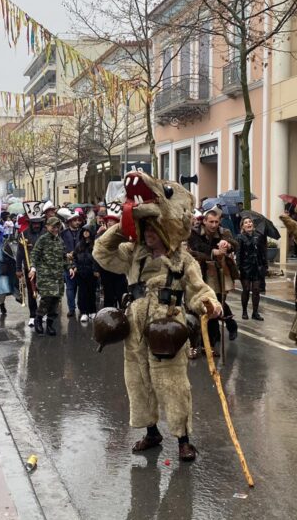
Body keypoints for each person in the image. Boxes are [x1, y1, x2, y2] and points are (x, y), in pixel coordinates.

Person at [93, 172, 221, 462]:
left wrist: (210, 305)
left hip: (168, 326)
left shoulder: (183, 260)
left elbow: (198, 290)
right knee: (138, 381)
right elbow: (101, 253)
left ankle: (183, 439)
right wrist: (122, 229)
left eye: (153, 229)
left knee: (173, 385)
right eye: (144, 228)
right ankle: (151, 431)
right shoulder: (132, 252)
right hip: (135, 326)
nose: (147, 233)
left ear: (164, 229)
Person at [187, 207, 239, 349]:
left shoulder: (223, 232)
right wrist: (213, 252)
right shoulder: (195, 233)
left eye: (216, 222)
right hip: (201, 271)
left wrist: (228, 245)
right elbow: (196, 249)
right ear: (204, 221)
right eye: (211, 221)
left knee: (218, 300)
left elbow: (235, 244)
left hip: (220, 271)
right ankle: (210, 338)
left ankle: (226, 328)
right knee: (207, 303)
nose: (214, 225)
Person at [29, 215, 66, 335]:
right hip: (46, 276)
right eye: (53, 226)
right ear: (47, 227)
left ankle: (50, 324)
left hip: (58, 277)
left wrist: (70, 268)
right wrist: (33, 268)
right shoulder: (43, 239)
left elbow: (64, 257)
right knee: (46, 299)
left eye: (57, 226)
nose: (55, 229)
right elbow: (34, 254)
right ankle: (38, 320)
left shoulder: (59, 240)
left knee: (55, 300)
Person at [236, 216, 267, 321]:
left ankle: (255, 312)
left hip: (257, 267)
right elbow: (238, 253)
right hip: (245, 267)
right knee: (246, 289)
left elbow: (263, 252)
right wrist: (238, 267)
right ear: (243, 226)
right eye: (246, 223)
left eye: (250, 222)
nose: (248, 224)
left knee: (256, 290)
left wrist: (264, 266)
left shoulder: (258, 236)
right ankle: (244, 311)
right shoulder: (240, 237)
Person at [96, 206, 127, 309]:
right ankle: (108, 316)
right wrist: (96, 269)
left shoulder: (123, 235)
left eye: (112, 221)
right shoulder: (101, 234)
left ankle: (124, 314)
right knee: (108, 296)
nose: (109, 223)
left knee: (121, 295)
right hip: (105, 270)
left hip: (119, 270)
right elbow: (96, 252)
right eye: (108, 220)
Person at [18, 212, 45, 327]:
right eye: (34, 223)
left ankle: (43, 313)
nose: (36, 225)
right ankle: (33, 315)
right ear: (30, 223)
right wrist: (18, 268)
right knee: (31, 292)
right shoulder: (23, 235)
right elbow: (19, 253)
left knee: (44, 291)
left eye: (38, 223)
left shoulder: (45, 234)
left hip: (44, 267)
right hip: (29, 267)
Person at [70, 226, 98, 323]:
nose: (85, 233)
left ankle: (92, 311)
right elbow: (74, 258)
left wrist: (96, 270)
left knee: (92, 292)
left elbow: (97, 258)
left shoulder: (95, 244)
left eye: (87, 231)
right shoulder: (79, 245)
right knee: (82, 293)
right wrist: (74, 266)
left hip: (92, 273)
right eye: (84, 231)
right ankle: (84, 312)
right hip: (80, 273)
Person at [60, 209, 85, 317]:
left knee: (82, 287)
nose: (77, 222)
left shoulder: (83, 232)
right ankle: (71, 308)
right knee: (70, 288)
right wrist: (65, 254)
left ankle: (82, 308)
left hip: (81, 263)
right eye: (75, 220)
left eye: (78, 220)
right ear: (69, 222)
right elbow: (60, 247)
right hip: (68, 263)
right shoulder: (63, 234)